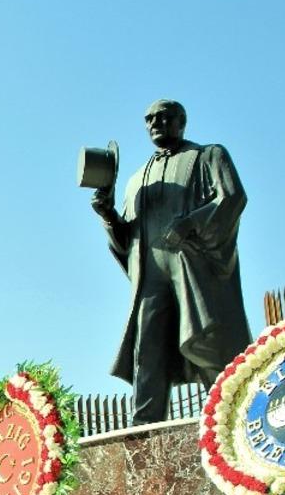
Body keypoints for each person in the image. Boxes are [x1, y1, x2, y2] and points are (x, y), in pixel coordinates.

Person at [91, 99, 253, 424]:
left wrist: (192, 222)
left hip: (192, 268)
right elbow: (129, 240)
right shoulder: (138, 180)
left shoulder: (208, 156)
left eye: (164, 117)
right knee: (147, 353)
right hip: (150, 277)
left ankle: (232, 419)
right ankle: (143, 432)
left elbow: (233, 198)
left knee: (208, 342)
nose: (156, 123)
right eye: (149, 118)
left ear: (182, 121)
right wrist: (107, 213)